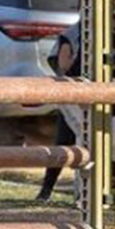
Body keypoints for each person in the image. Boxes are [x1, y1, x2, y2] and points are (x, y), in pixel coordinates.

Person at [37, 22, 82, 201]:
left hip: (78, 94)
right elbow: (64, 65)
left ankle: (47, 191)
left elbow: (63, 64)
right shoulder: (74, 33)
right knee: (66, 142)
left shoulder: (74, 32)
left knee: (65, 142)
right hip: (78, 96)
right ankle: (47, 190)